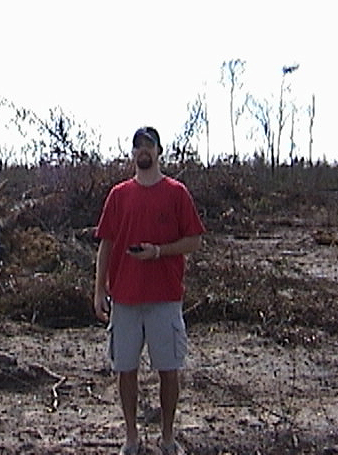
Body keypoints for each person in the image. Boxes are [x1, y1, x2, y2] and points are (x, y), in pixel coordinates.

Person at [93, 127, 205, 455]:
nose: (144, 151)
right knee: (125, 369)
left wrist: (158, 251)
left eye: (149, 146)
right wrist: (99, 291)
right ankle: (131, 438)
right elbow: (106, 245)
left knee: (168, 370)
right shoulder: (119, 195)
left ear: (159, 152)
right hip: (125, 300)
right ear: (133, 153)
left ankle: (167, 437)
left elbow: (194, 240)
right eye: (138, 146)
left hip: (165, 299)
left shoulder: (176, 193)